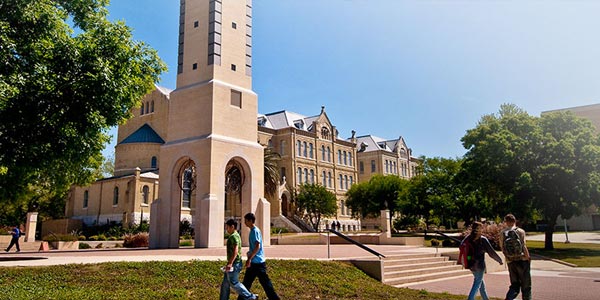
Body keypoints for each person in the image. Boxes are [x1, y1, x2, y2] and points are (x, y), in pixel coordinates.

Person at [238, 213, 280, 300]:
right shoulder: (253, 230)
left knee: (265, 283)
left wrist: (250, 258)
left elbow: (258, 246)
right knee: (247, 282)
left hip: (257, 262)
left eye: (246, 220)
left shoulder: (255, 231)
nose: (244, 222)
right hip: (255, 262)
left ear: (250, 221)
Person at [461, 221, 503, 300]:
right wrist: (499, 260)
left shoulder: (468, 238)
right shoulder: (482, 240)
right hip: (480, 265)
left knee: (480, 283)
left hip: (470, 264)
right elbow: (491, 252)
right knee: (477, 284)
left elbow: (461, 246)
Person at [220, 219, 258, 300]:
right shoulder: (236, 235)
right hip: (234, 263)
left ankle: (251, 297)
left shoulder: (233, 236)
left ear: (232, 227)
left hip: (235, 263)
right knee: (225, 284)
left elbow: (235, 251)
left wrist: (230, 263)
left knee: (234, 282)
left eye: (227, 227)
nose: (226, 229)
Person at [500, 214, 531, 300]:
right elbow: (524, 246)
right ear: (515, 221)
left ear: (506, 222)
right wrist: (528, 257)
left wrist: (508, 257)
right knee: (526, 286)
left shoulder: (503, 233)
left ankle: (509, 298)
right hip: (522, 260)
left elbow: (502, 248)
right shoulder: (520, 231)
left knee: (514, 285)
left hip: (511, 261)